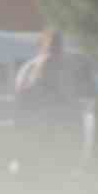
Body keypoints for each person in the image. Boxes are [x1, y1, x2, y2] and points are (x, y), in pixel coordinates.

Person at [14, 29, 86, 172]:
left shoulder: (66, 69)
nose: (55, 49)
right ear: (41, 47)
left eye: (57, 45)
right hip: (41, 132)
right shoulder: (30, 68)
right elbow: (21, 100)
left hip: (58, 134)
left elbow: (73, 103)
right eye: (52, 45)